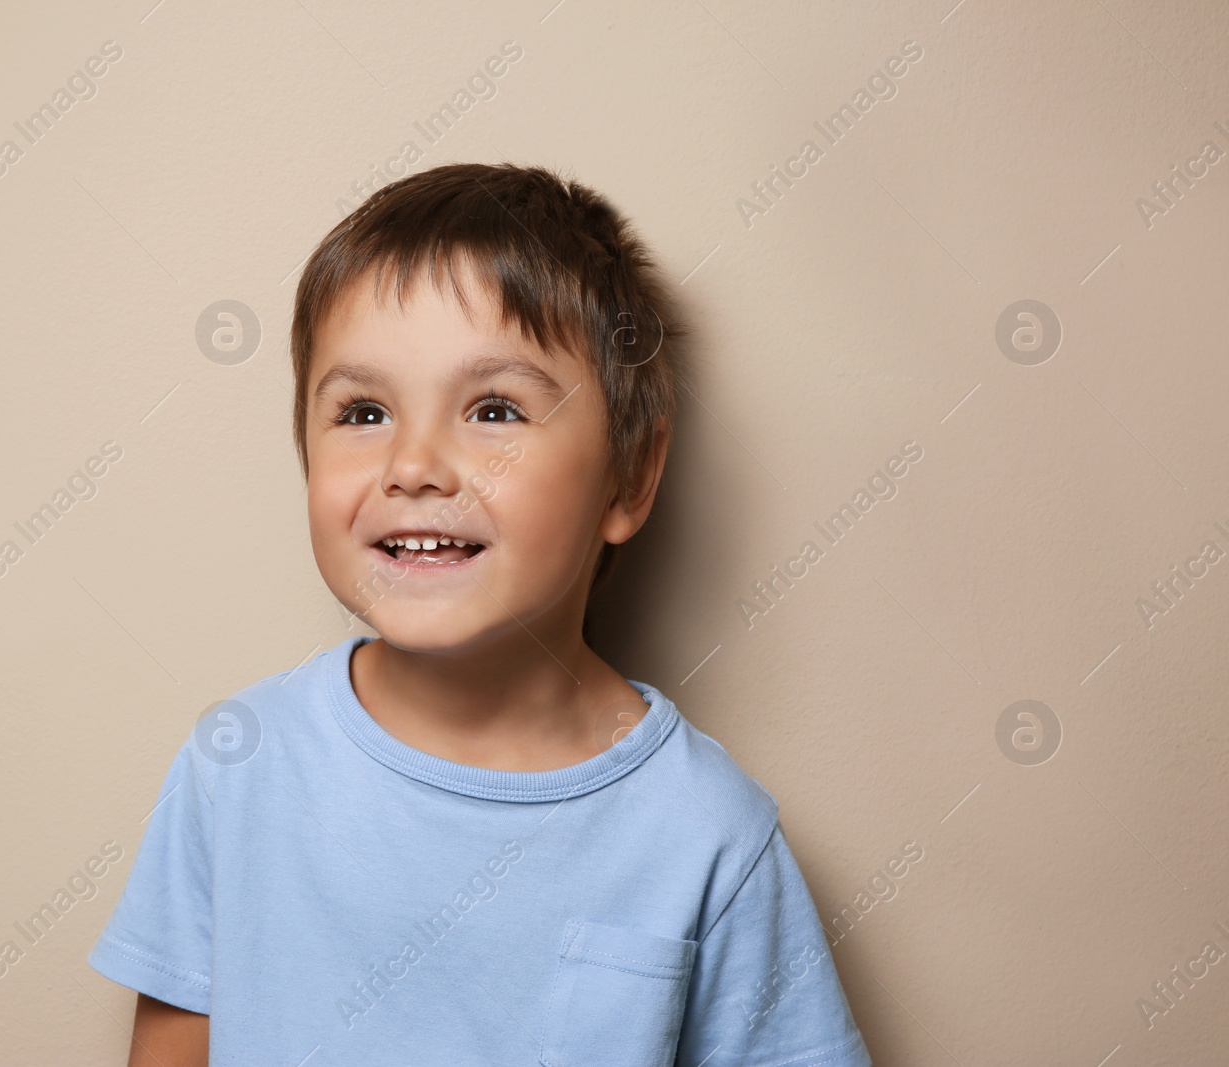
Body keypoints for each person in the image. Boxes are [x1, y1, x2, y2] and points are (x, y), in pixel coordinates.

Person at [87, 162, 871, 1066]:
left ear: (630, 475)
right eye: (364, 410)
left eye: (494, 409)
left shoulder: (707, 836)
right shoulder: (239, 762)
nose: (414, 464)